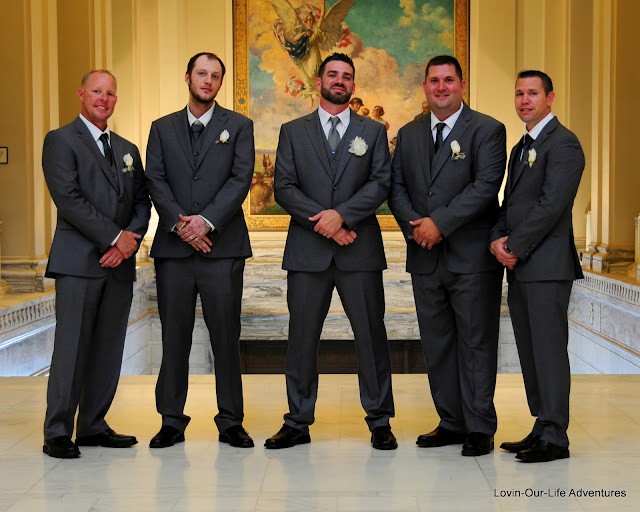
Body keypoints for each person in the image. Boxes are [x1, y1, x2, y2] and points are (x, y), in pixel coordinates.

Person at [265, 53, 396, 450]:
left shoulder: (373, 132)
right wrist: (325, 223)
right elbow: (284, 187)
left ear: (353, 85)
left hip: (360, 250)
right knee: (302, 339)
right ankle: (297, 421)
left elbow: (380, 183)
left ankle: (380, 420)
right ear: (319, 82)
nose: (340, 80)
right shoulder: (293, 131)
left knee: (371, 337)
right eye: (333, 74)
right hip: (308, 252)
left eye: (347, 76)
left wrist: (342, 217)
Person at [388, 55, 506, 457]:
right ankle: (451, 422)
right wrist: (417, 228)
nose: (441, 87)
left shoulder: (488, 129)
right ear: (424, 86)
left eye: (449, 80)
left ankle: (480, 427)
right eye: (434, 81)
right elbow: (396, 188)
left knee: (476, 343)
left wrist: (439, 223)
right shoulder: (408, 133)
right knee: (436, 344)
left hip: (471, 259)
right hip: (425, 256)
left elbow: (486, 186)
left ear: (462, 85)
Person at [145, 52, 255, 449]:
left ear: (220, 83)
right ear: (188, 77)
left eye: (215, 76)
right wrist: (180, 224)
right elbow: (154, 179)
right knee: (175, 336)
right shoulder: (161, 128)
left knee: (225, 336)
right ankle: (171, 420)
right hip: (174, 252)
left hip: (222, 249)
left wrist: (205, 221)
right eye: (201, 73)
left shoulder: (239, 126)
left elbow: (241, 178)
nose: (208, 80)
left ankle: (231, 421)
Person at [41, 70, 151, 458]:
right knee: (71, 348)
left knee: (108, 347)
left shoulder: (127, 148)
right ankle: (57, 431)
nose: (104, 99)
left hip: (118, 265)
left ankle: (92, 425)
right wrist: (114, 237)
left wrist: (127, 244)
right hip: (78, 263)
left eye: (110, 94)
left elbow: (142, 203)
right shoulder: (60, 140)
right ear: (81, 94)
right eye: (97, 92)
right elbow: (68, 199)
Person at [490, 70, 584, 463]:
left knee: (548, 351)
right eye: (519, 93)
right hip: (521, 267)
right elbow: (510, 202)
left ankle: (556, 436)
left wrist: (514, 245)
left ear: (550, 98)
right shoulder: (520, 147)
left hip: (547, 267)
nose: (525, 100)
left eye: (532, 93)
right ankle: (542, 424)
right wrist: (496, 238)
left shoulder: (564, 143)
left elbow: (551, 206)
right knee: (530, 352)